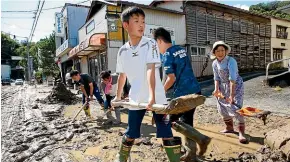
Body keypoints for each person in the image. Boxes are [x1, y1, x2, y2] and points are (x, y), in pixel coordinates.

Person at [112, 6, 182, 162]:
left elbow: (151, 70)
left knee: (165, 131)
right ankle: (121, 157)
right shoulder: (122, 51)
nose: (141, 25)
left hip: (156, 97)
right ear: (126, 25)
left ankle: (175, 159)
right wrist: (117, 97)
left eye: (143, 21)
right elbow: (122, 75)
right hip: (135, 99)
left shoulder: (150, 44)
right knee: (131, 132)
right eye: (136, 21)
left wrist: (152, 98)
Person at [154, 27, 211, 161]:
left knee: (168, 120)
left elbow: (171, 78)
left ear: (159, 41)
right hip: (195, 90)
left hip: (183, 94)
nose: (158, 48)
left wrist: (160, 92)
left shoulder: (167, 54)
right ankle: (191, 154)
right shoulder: (181, 49)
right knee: (187, 121)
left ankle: (201, 139)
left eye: (156, 44)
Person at [211, 41, 247, 144]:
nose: (220, 53)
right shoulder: (214, 63)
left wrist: (231, 96)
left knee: (236, 108)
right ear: (214, 52)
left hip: (235, 85)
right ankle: (229, 128)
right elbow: (216, 78)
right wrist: (216, 89)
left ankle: (241, 133)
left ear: (226, 51)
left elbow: (232, 79)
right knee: (222, 107)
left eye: (222, 50)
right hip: (222, 86)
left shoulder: (231, 61)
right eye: (217, 51)